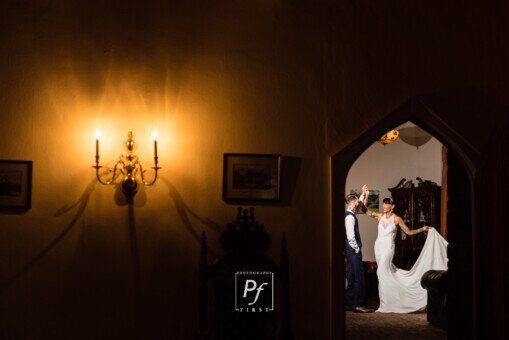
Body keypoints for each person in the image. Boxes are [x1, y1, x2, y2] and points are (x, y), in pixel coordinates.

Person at [367, 196, 448, 313]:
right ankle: (390, 301)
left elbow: (409, 232)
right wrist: (364, 196)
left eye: (387, 204)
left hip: (388, 247)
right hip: (378, 247)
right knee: (384, 274)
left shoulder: (397, 219)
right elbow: (365, 210)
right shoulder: (379, 216)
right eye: (383, 204)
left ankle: (385, 305)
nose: (384, 206)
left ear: (392, 206)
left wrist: (423, 228)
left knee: (381, 272)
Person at [344, 185, 374, 313]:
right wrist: (356, 249)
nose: (358, 203)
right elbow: (351, 236)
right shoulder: (350, 217)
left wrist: (363, 194)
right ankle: (359, 304)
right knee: (359, 277)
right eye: (356, 201)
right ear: (352, 203)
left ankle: (349, 303)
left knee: (351, 276)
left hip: (348, 250)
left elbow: (360, 203)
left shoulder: (350, 213)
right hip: (352, 250)